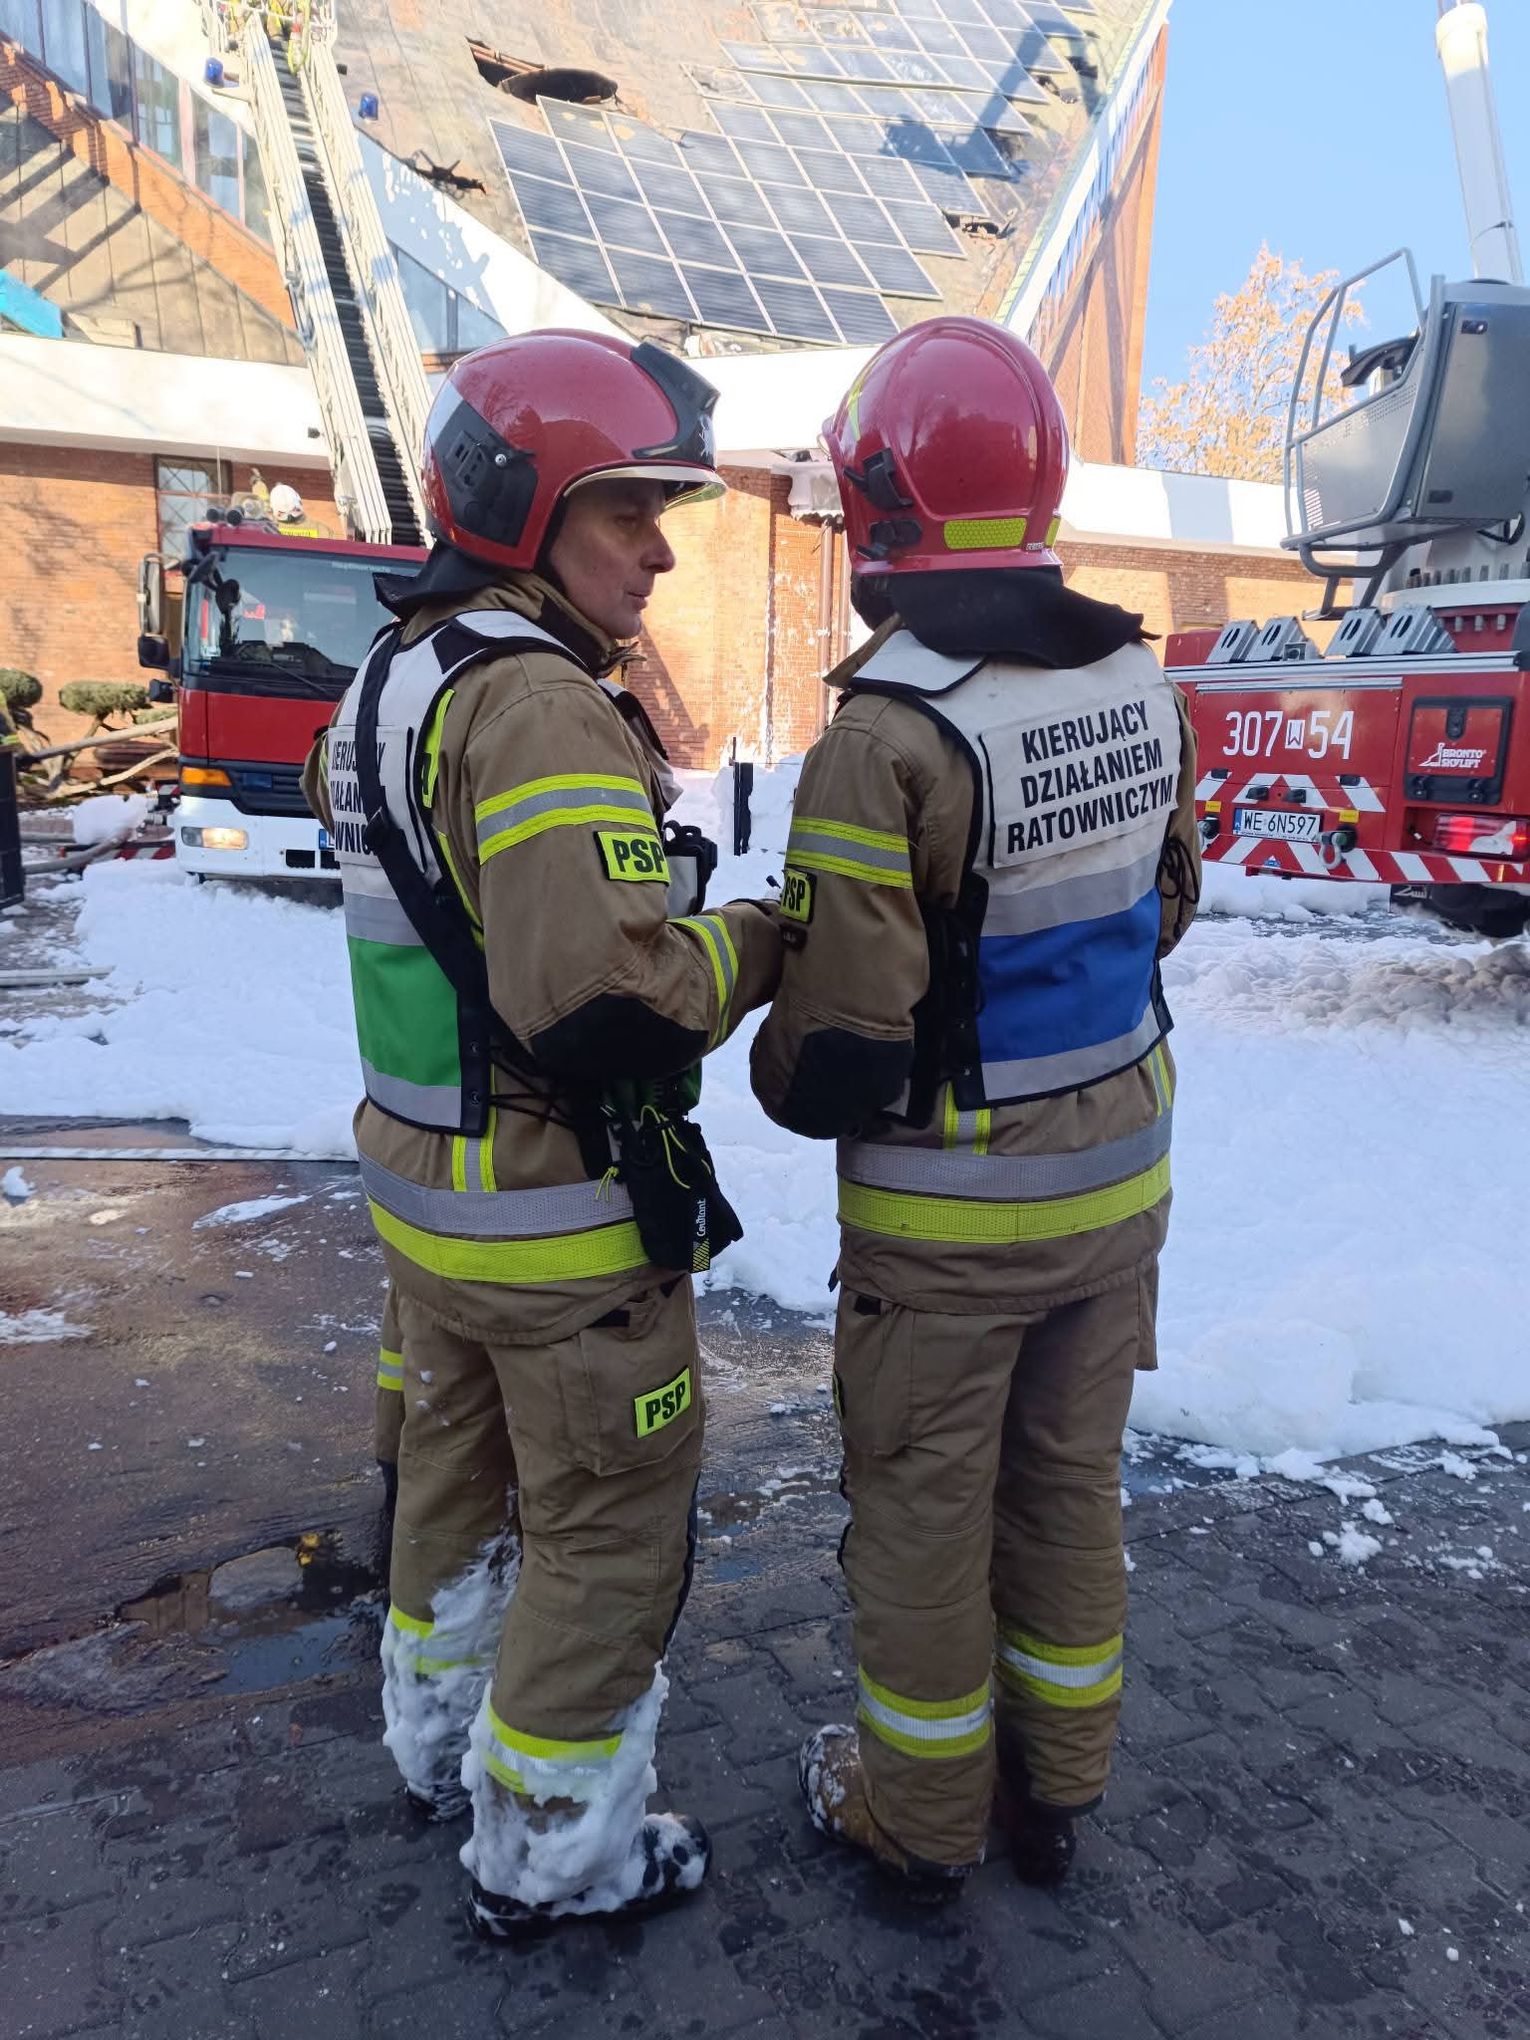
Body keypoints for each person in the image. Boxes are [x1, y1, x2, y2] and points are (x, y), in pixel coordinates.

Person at [304, 330, 781, 1932]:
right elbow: (603, 1008)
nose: (659, 550)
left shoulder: (390, 680)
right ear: (524, 508)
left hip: (431, 1205)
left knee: (452, 1483)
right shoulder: (540, 703)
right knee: (605, 1533)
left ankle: (436, 1743)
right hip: (557, 1223)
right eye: (626, 510)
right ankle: (555, 1855)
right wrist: (756, 940)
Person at [750, 316, 1200, 1901]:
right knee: (1068, 1493)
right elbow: (1164, 910)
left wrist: (762, 1034)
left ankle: (921, 1820)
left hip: (947, 1235)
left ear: (877, 509)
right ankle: (1056, 1789)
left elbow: (841, 1047)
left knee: (924, 1526)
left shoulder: (885, 734)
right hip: (1116, 1195)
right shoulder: (1140, 680)